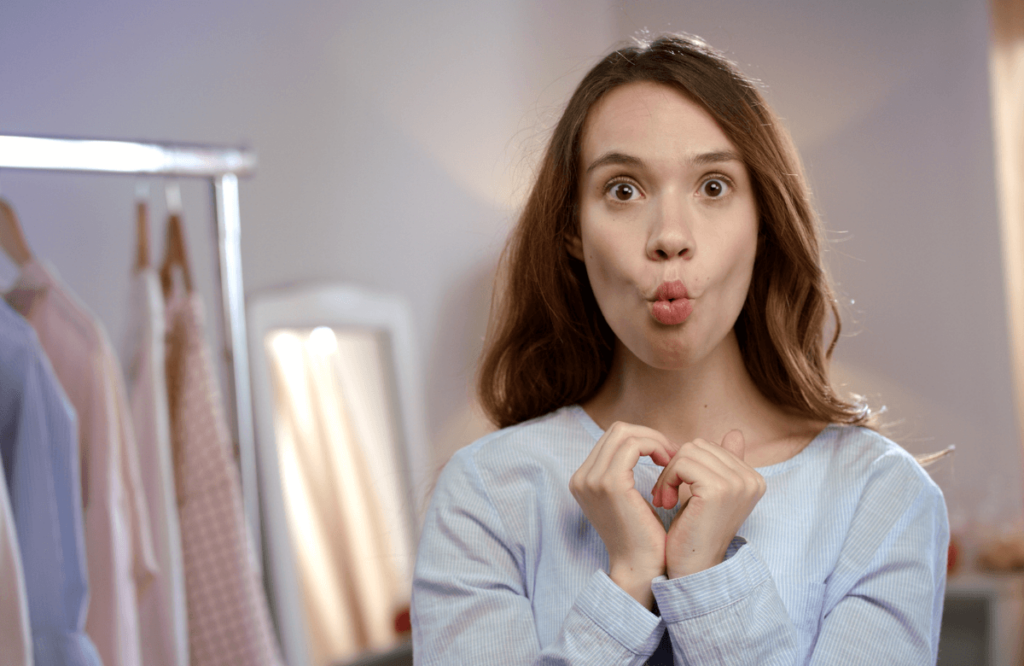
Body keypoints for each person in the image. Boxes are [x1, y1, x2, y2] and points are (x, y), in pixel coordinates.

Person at [411, 33, 948, 665]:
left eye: (714, 187)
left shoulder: (882, 498)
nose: (669, 237)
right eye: (623, 190)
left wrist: (708, 579)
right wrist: (629, 580)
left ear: (764, 222)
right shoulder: (485, 494)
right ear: (572, 230)